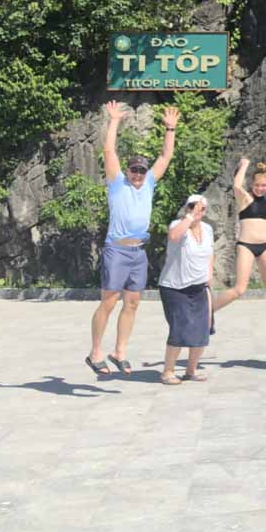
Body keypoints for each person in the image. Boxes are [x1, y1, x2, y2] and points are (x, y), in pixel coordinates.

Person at [85, 101, 179, 377]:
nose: (138, 174)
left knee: (133, 302)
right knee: (110, 300)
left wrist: (170, 128)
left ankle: (120, 351)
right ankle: (95, 352)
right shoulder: (117, 184)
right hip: (116, 250)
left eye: (141, 171)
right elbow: (108, 150)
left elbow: (165, 157)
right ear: (127, 171)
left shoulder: (149, 183)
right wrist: (114, 120)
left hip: (138, 252)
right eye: (134, 170)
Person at [215, 158, 266, 324]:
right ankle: (209, 310)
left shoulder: (264, 203)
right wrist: (244, 166)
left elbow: (265, 219)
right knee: (240, 288)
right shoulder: (245, 198)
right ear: (252, 185)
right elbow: (237, 186)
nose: (260, 189)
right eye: (257, 186)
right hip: (246, 245)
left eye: (263, 186)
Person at [157, 194, 214, 385]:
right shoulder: (177, 225)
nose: (198, 211)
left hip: (198, 286)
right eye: (192, 206)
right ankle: (168, 372)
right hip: (174, 287)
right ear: (186, 208)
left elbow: (210, 253)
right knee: (180, 328)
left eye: (201, 208)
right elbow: (174, 236)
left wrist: (209, 275)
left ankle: (191, 370)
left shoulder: (207, 229)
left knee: (201, 329)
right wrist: (190, 217)